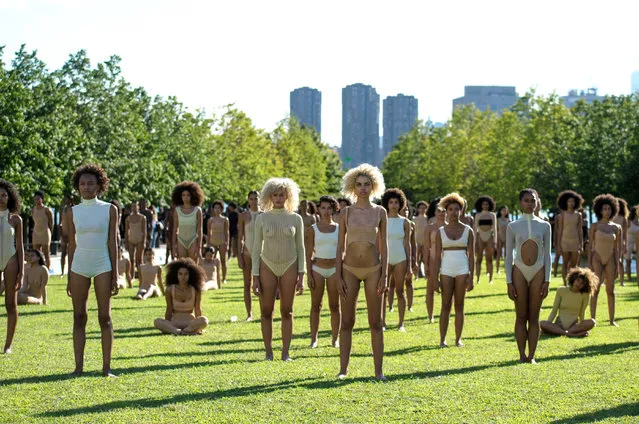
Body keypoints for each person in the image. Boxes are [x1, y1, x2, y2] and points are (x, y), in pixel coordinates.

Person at [65, 164, 118, 377]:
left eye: (90, 183)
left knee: (104, 317)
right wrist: (69, 275)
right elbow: (70, 244)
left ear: (99, 185)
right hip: (79, 265)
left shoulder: (109, 209)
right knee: (79, 316)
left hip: (102, 263)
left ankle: (106, 368)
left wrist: (115, 273)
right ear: (78, 186)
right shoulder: (71, 212)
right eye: (83, 184)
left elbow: (113, 241)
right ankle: (78, 368)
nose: (86, 187)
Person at [335, 163, 387, 380]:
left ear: (374, 186)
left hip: (374, 269)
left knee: (376, 322)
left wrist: (385, 275)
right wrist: (337, 276)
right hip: (348, 270)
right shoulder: (346, 212)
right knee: (346, 322)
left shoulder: (380, 211)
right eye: (359, 184)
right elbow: (339, 247)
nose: (363, 188)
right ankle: (343, 370)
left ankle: (378, 371)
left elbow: (385, 246)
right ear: (352, 187)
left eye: (367, 184)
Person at [252, 178, 305, 361]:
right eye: (275, 194)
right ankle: (268, 352)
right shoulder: (262, 218)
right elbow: (256, 248)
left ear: (288, 196)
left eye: (282, 194)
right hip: (267, 264)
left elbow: (301, 248)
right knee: (266, 311)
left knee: (287, 311)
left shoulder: (295, 218)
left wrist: (301, 275)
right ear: (269, 196)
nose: (278, 198)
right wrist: (255, 276)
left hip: (290, 265)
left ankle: (285, 352)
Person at [505, 188, 551, 364]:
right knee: (521, 315)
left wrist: (547, 280)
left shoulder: (545, 225)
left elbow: (547, 255)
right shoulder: (513, 226)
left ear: (537, 202)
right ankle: (521, 354)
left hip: (539, 270)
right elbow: (508, 256)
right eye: (526, 200)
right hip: (519, 271)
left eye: (532, 200)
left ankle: (532, 356)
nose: (530, 204)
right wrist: (509, 282)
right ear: (520, 202)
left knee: (534, 316)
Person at [433, 193, 475, 347]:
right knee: (445, 305)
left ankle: (458, 339)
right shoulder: (440, 232)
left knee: (459, 305)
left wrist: (471, 276)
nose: (453, 212)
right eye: (450, 209)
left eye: (456, 209)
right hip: (446, 270)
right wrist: (435, 278)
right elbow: (437, 257)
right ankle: (442, 339)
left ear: (461, 211)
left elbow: (472, 256)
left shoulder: (468, 230)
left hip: (463, 269)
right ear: (446, 211)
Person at [305, 195, 341, 348]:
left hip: (334, 270)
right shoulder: (312, 229)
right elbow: (308, 253)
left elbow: (342, 251)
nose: (326, 211)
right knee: (315, 305)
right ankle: (314, 339)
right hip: (317, 269)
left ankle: (335, 339)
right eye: (323, 208)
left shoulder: (340, 228)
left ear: (334, 209)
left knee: (335, 306)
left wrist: (340, 272)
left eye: (329, 208)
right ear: (318, 209)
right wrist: (309, 273)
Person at [588, 194, 622, 326]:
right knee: (595, 289)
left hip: (610, 259)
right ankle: (592, 319)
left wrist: (618, 265)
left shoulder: (616, 228)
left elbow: (617, 248)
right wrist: (590, 262)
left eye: (609, 208)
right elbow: (590, 246)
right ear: (599, 210)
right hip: (597, 257)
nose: (607, 211)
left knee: (610, 290)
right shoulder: (594, 226)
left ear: (612, 209)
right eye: (604, 209)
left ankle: (612, 320)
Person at [381, 188, 411, 331]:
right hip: (384, 259)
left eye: (396, 202)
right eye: (391, 202)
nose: (393, 205)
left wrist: (410, 265)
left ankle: (401, 323)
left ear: (401, 204)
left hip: (401, 258)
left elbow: (407, 244)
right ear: (387, 203)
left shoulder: (405, 222)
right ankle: (382, 322)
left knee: (400, 291)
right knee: (383, 291)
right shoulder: (382, 220)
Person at [154, 258, 208, 335]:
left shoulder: (195, 290)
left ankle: (185, 330)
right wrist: (167, 324)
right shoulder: (170, 290)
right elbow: (169, 310)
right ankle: (179, 331)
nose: (183, 277)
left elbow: (197, 309)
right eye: (180, 274)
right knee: (157, 322)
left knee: (204, 320)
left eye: (186, 274)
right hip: (174, 323)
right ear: (176, 275)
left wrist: (199, 325)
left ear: (190, 275)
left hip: (190, 323)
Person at [0, 180, 23, 354]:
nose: (1, 198)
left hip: (11, 260)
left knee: (10, 304)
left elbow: (20, 246)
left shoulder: (15, 219)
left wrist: (21, 272)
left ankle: (8, 345)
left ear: (9, 197)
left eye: (4, 195)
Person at [540, 267, 597, 337]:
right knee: (542, 323)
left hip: (574, 326)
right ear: (573, 278)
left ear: (584, 286)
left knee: (592, 322)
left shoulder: (585, 295)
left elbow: (582, 313)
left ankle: (565, 332)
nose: (579, 284)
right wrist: (548, 324)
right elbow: (554, 311)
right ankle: (568, 333)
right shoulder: (561, 290)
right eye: (578, 280)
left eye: (582, 283)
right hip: (559, 324)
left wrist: (582, 327)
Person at [238, 190, 262, 321]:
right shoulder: (243, 216)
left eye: (256, 198)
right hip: (247, 252)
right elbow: (240, 237)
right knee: (247, 284)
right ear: (248, 200)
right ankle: (249, 314)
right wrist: (239, 255)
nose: (254, 201)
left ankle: (264, 311)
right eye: (251, 199)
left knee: (263, 283)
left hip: (262, 253)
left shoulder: (264, 214)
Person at [423, 201, 446, 323]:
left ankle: (445, 313)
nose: (441, 214)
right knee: (430, 289)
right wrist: (426, 264)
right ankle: (430, 315)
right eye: (439, 211)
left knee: (447, 290)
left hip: (447, 261)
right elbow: (426, 247)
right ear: (435, 212)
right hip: (432, 260)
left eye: (444, 211)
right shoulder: (429, 227)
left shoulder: (450, 228)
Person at [555, 190, 584, 285]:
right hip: (565, 241)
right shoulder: (562, 215)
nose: (571, 203)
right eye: (569, 201)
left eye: (573, 201)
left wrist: (581, 244)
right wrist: (558, 246)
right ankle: (565, 283)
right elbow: (559, 231)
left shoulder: (578, 215)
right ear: (565, 202)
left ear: (576, 202)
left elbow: (580, 230)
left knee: (574, 265)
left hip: (575, 241)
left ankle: (572, 282)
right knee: (565, 263)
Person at [172, 181, 204, 264]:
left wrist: (199, 247)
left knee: (193, 266)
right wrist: (173, 246)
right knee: (182, 266)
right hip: (181, 241)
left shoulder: (197, 210)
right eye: (183, 195)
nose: (185, 197)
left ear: (193, 196)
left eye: (188, 195)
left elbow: (199, 230)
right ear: (180, 197)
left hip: (193, 240)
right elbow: (175, 229)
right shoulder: (177, 210)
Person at [474, 195, 497, 285]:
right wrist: (475, 241)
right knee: (479, 259)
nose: (485, 206)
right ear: (481, 205)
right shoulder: (478, 215)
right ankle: (478, 278)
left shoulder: (492, 215)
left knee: (489, 259)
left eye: (487, 204)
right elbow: (475, 228)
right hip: (480, 237)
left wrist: (495, 241)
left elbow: (494, 228)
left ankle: (490, 279)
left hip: (489, 237)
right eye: (483, 204)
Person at [207, 200, 229, 284]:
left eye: (219, 208)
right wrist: (208, 244)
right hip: (213, 242)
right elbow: (209, 232)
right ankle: (214, 277)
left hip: (222, 241)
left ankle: (224, 278)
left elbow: (227, 232)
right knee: (212, 261)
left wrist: (227, 243)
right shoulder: (210, 220)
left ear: (222, 209)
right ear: (213, 209)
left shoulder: (225, 219)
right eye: (215, 208)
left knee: (223, 260)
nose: (217, 209)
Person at [31, 190, 53, 270]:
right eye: (35, 199)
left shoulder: (47, 210)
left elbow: (51, 223)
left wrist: (50, 232)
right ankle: (37, 269)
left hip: (45, 232)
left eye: (38, 199)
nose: (37, 201)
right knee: (36, 253)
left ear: (42, 199)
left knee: (46, 253)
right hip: (36, 232)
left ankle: (47, 268)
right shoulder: (33, 210)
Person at [125, 201, 146, 281]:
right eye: (132, 206)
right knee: (131, 259)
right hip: (131, 239)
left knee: (139, 259)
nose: (134, 208)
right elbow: (127, 231)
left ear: (138, 207)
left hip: (139, 239)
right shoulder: (128, 218)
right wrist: (126, 242)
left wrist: (144, 242)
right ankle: (132, 276)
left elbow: (144, 231)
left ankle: (142, 276)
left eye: (135, 206)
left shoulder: (142, 217)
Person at [612, 198, 629, 287]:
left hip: (620, 243)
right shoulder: (611, 216)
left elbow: (625, 233)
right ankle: (604, 281)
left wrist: (625, 244)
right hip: (610, 241)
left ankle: (622, 281)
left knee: (620, 262)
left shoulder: (623, 219)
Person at [413, 201, 429, 279]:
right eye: (420, 208)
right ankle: (416, 275)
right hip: (417, 241)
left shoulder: (428, 219)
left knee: (425, 259)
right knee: (416, 259)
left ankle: (426, 275)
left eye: (424, 208)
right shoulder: (414, 219)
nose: (422, 209)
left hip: (426, 241)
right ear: (418, 209)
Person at [59, 195, 74, 276]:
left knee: (72, 254)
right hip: (64, 234)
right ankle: (62, 272)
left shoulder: (74, 209)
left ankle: (71, 271)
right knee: (63, 254)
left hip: (72, 235)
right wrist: (61, 233)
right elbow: (61, 222)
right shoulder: (63, 210)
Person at [495, 206, 510, 274]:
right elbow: (496, 230)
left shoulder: (509, 220)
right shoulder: (497, 219)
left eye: (505, 210)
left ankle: (506, 269)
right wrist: (497, 238)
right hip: (499, 238)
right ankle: (497, 269)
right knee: (498, 254)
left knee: (506, 255)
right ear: (500, 211)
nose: (504, 212)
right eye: (503, 210)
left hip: (507, 238)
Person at [626, 205, 638, 282]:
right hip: (628, 243)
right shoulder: (628, 222)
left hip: (637, 244)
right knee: (628, 261)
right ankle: (629, 277)